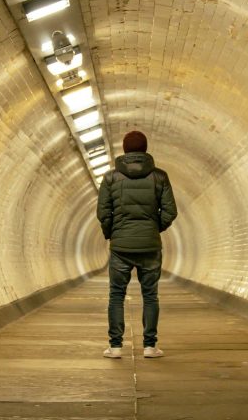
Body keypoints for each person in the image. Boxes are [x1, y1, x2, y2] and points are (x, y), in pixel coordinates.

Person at [97, 130, 178, 359]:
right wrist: (154, 229)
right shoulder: (160, 177)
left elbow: (103, 212)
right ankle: (150, 346)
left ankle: (115, 346)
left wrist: (111, 233)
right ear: (145, 149)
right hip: (150, 247)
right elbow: (170, 210)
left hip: (120, 248)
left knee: (116, 295)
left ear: (124, 150)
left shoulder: (110, 178)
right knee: (150, 295)